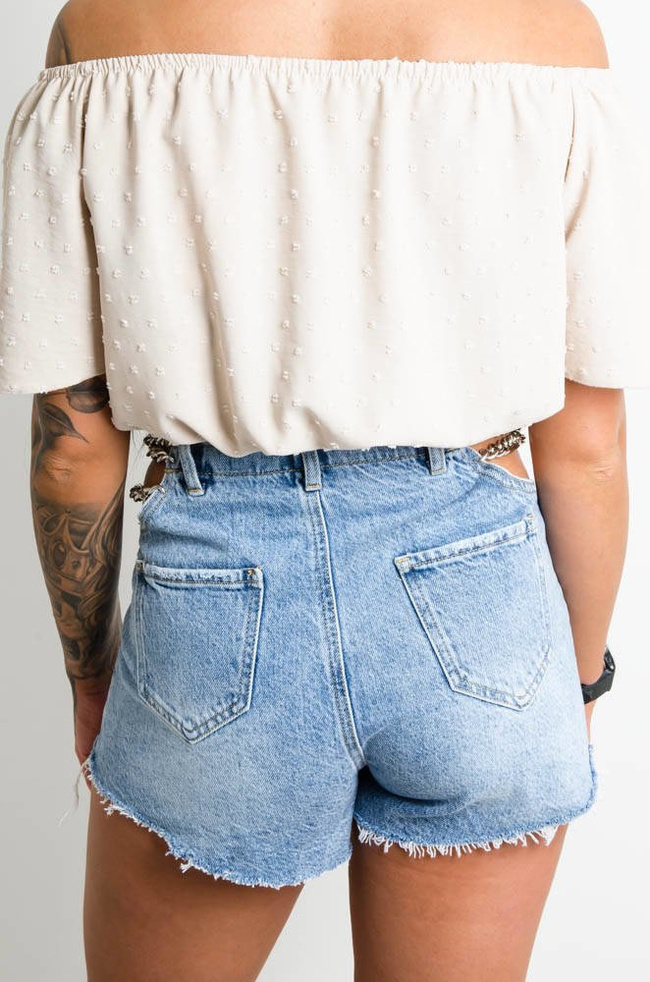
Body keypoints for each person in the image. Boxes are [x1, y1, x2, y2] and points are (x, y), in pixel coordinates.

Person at [0, 1, 646, 978]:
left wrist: (91, 676)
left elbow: (71, 452)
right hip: (480, 595)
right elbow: (589, 446)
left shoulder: (103, 30)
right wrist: (580, 677)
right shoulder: (551, 36)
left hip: (219, 590)